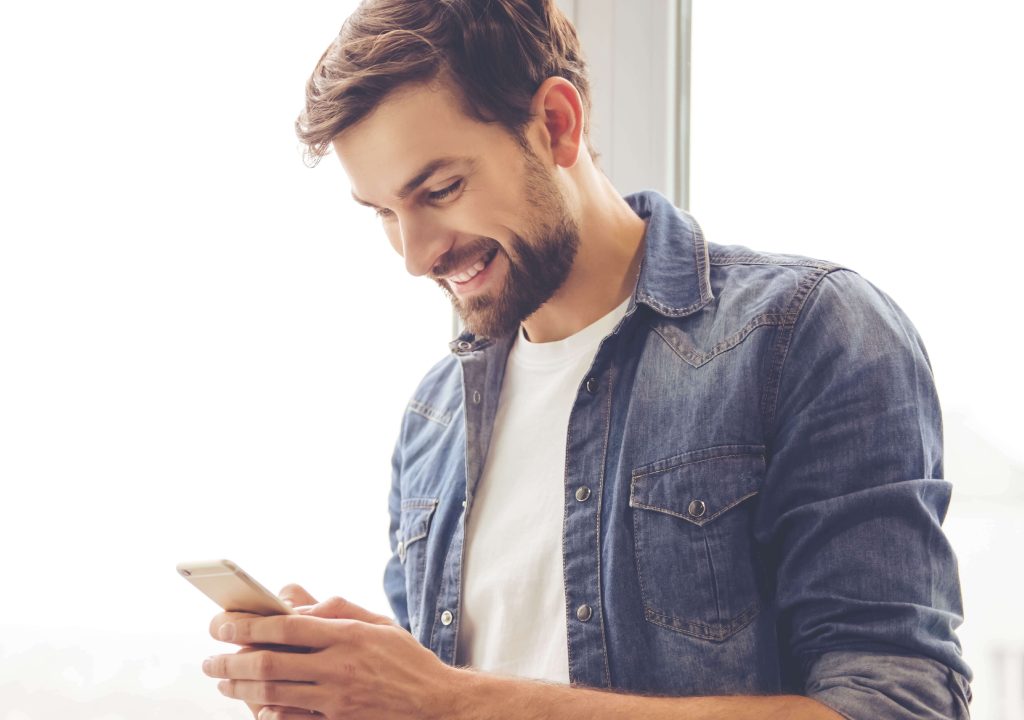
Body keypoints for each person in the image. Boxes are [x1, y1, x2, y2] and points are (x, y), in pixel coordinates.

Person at [200, 1, 972, 718]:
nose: (416, 256)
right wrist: (369, 695)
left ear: (557, 124)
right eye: (385, 215)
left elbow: (899, 705)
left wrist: (449, 700)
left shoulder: (806, 333)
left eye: (440, 189)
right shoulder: (432, 422)